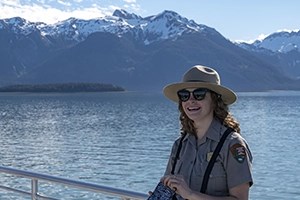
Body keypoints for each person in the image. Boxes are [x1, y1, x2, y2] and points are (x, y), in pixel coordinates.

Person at [161, 65, 253, 200]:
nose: (191, 100)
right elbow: (170, 188)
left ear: (215, 100)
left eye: (199, 95)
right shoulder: (179, 145)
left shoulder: (232, 144)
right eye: (184, 95)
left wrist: (191, 195)